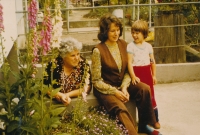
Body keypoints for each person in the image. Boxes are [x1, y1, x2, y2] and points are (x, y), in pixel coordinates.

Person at [91, 14, 161, 135]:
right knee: (121, 108)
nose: (116, 33)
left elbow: (128, 70)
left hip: (122, 84)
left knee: (144, 89)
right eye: (112, 31)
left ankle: (144, 126)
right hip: (106, 89)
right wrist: (115, 92)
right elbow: (96, 81)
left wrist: (124, 87)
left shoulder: (124, 44)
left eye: (118, 30)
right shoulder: (98, 50)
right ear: (105, 31)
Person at [127, 20, 160, 129]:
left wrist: (154, 75)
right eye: (133, 32)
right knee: (142, 98)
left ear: (144, 33)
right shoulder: (130, 46)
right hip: (137, 74)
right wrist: (132, 76)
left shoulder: (148, 47)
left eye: (137, 33)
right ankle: (145, 122)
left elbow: (152, 61)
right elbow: (129, 63)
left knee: (151, 97)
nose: (134, 35)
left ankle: (155, 120)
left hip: (147, 73)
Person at [44, 37, 92, 105]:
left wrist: (67, 95)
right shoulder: (53, 65)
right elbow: (45, 88)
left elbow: (87, 87)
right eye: (73, 55)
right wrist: (60, 95)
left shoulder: (83, 64)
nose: (77, 58)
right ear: (64, 56)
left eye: (78, 54)